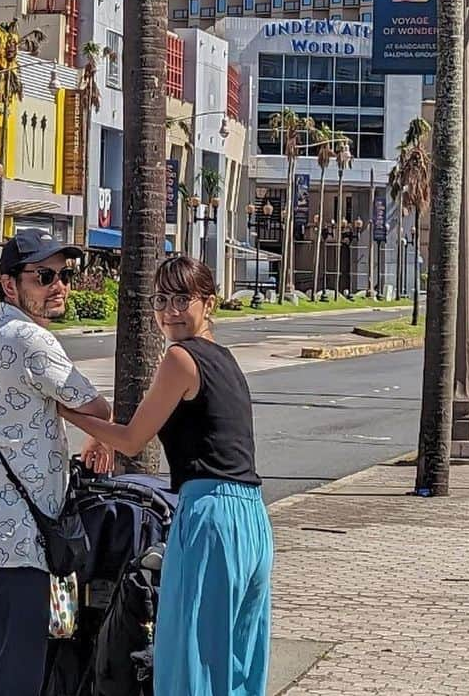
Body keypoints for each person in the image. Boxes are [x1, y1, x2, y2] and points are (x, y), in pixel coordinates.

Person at [62, 255, 272, 696]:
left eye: (182, 299)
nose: (169, 311)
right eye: (161, 299)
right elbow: (158, 417)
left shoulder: (179, 358)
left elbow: (134, 440)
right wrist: (108, 431)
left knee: (190, 659)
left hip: (210, 515)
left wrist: (69, 413)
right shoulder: (223, 360)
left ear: (207, 303)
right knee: (237, 664)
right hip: (252, 518)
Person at [0, 227, 112, 696]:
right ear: (9, 284)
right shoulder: (29, 339)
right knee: (18, 679)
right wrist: (83, 423)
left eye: (64, 275)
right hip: (20, 544)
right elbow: (97, 407)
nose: (58, 285)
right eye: (43, 276)